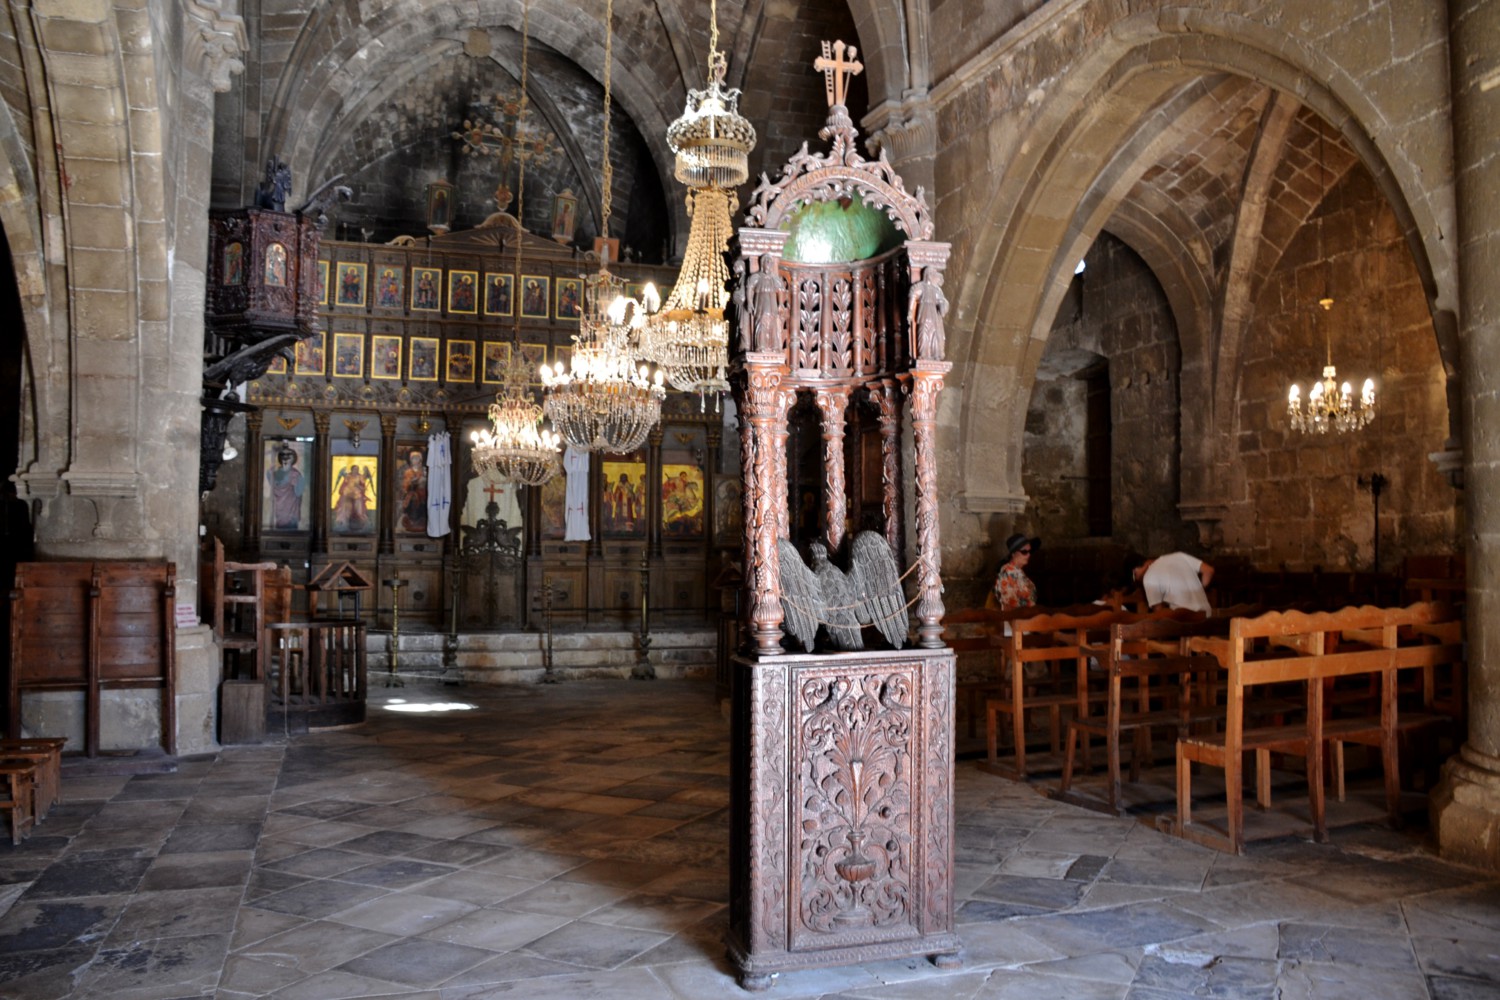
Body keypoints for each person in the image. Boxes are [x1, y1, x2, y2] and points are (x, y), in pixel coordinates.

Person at [1128, 551, 1213, 613]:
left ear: (1134, 571)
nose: (1138, 580)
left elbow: (1159, 612)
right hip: (1206, 615)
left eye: (1136, 578)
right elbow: (1209, 570)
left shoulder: (1148, 578)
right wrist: (1198, 591)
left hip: (1185, 620)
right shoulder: (1179, 556)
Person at [992, 532, 1039, 610]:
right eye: (1024, 552)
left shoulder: (1017, 571)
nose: (1029, 555)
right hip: (1016, 619)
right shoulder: (1007, 573)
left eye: (1029, 551)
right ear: (1013, 554)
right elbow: (1009, 607)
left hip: (1027, 617)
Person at [399, 450, 427, 533]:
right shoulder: (408, 472)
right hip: (411, 492)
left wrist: (424, 480)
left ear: (420, 460)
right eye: (413, 459)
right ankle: (412, 521)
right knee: (413, 500)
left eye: (417, 458)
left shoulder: (423, 471)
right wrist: (412, 482)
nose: (415, 460)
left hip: (422, 492)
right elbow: (405, 485)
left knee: (423, 501)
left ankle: (421, 521)